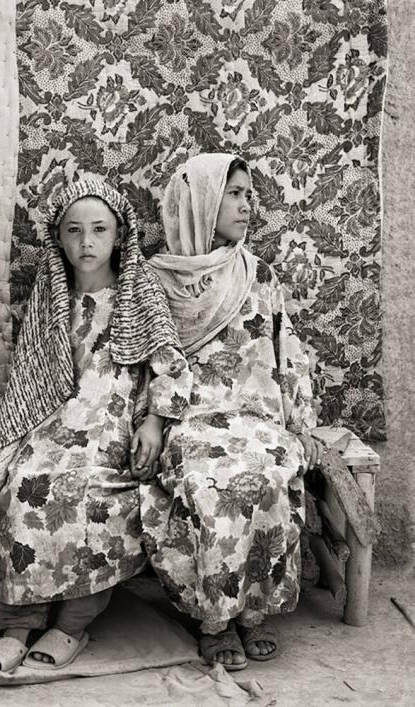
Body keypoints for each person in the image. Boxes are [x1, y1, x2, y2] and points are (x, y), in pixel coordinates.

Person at [0, 180, 192, 672]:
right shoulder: (51, 298)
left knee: (87, 491)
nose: (86, 244)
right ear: (59, 238)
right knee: (24, 484)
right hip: (53, 421)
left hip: (111, 423)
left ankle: (71, 624)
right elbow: (33, 371)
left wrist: (155, 423)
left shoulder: (138, 294)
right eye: (74, 231)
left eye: (99, 230)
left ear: (119, 235)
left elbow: (171, 366)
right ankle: (19, 623)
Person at [141, 153, 323, 671]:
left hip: (256, 419)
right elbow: (148, 360)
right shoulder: (156, 281)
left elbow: (287, 349)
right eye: (236, 193)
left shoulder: (255, 273)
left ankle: (252, 611)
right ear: (200, 202)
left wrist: (299, 422)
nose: (249, 205)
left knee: (268, 472)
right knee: (209, 481)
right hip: (189, 420)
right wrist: (155, 419)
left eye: (249, 194)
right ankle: (214, 621)